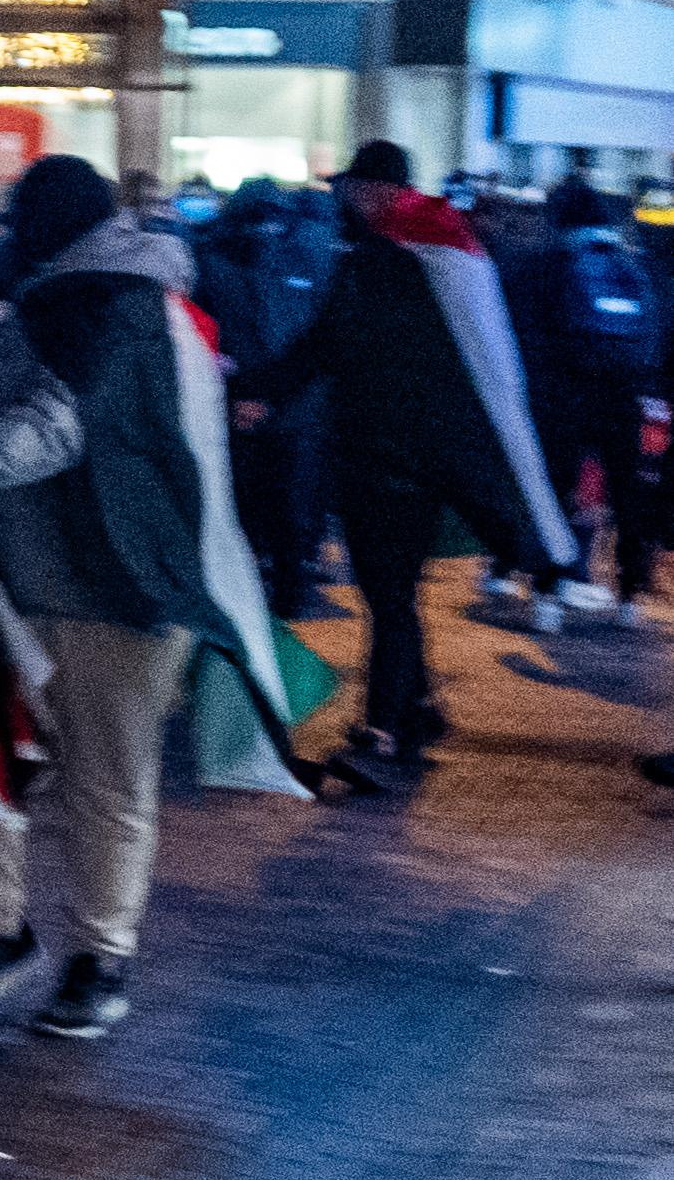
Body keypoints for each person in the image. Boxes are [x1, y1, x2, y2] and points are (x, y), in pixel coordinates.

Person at [0, 157, 271, 1041]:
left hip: (116, 587)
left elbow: (59, 429)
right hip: (14, 578)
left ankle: (98, 957)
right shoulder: (64, 294)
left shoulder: (117, 306)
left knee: (105, 781)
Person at [234, 140, 579, 775]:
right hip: (424, 463)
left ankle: (383, 731)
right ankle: (413, 709)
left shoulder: (382, 261)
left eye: (352, 189)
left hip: (380, 457)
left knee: (388, 598)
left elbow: (327, 344)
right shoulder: (452, 252)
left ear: (372, 192)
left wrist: (254, 392)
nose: (345, 199)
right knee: (394, 596)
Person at [509, 175, 660, 624]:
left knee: (556, 493)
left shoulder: (549, 263)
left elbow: (531, 338)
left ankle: (548, 596)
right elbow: (653, 331)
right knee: (626, 495)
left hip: (566, 398)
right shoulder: (628, 263)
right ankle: (630, 596)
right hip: (623, 394)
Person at [195, 180, 330, 618]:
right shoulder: (212, 258)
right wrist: (237, 393)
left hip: (292, 408)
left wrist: (273, 397)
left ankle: (290, 596)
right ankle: (247, 596)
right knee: (239, 507)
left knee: (291, 510)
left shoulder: (304, 256)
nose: (263, 229)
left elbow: (315, 337)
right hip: (234, 409)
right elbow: (202, 332)